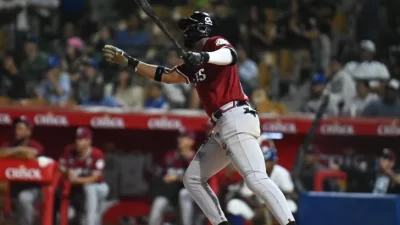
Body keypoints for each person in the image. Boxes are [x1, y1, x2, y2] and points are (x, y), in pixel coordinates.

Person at [103, 11, 296, 225]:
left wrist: (203, 57)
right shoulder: (192, 65)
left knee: (255, 179)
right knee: (193, 179)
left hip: (235, 115)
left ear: (201, 27)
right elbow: (166, 75)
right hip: (222, 125)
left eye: (189, 26)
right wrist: (130, 62)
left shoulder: (215, 44)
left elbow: (231, 55)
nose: (185, 30)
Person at [225, 140, 297, 225]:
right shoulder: (252, 173)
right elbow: (246, 196)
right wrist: (259, 209)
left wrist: (271, 207)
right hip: (256, 209)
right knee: (233, 205)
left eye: (266, 161)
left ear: (274, 161)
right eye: (262, 160)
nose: (264, 164)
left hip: (277, 209)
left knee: (292, 205)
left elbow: (291, 194)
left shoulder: (281, 172)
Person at [58, 127, 109, 225]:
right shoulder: (69, 151)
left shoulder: (96, 154)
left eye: (81, 139)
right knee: (69, 215)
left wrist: (75, 180)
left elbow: (95, 178)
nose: (77, 142)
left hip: (99, 188)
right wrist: (67, 172)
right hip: (77, 191)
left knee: (89, 188)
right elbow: (60, 169)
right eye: (77, 139)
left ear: (89, 141)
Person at [0, 116, 44, 225]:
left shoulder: (36, 145)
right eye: (16, 128)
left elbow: (31, 154)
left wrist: (12, 154)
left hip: (33, 188)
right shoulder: (9, 145)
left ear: (29, 132)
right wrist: (18, 150)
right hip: (14, 187)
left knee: (24, 198)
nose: (17, 131)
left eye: (21, 128)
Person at [149, 129, 196, 225]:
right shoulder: (170, 156)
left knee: (184, 194)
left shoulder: (196, 158)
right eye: (180, 137)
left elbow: (196, 180)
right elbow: (160, 175)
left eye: (184, 138)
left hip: (190, 195)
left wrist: (177, 178)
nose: (180, 140)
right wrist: (163, 179)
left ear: (191, 141)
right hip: (170, 193)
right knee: (158, 203)